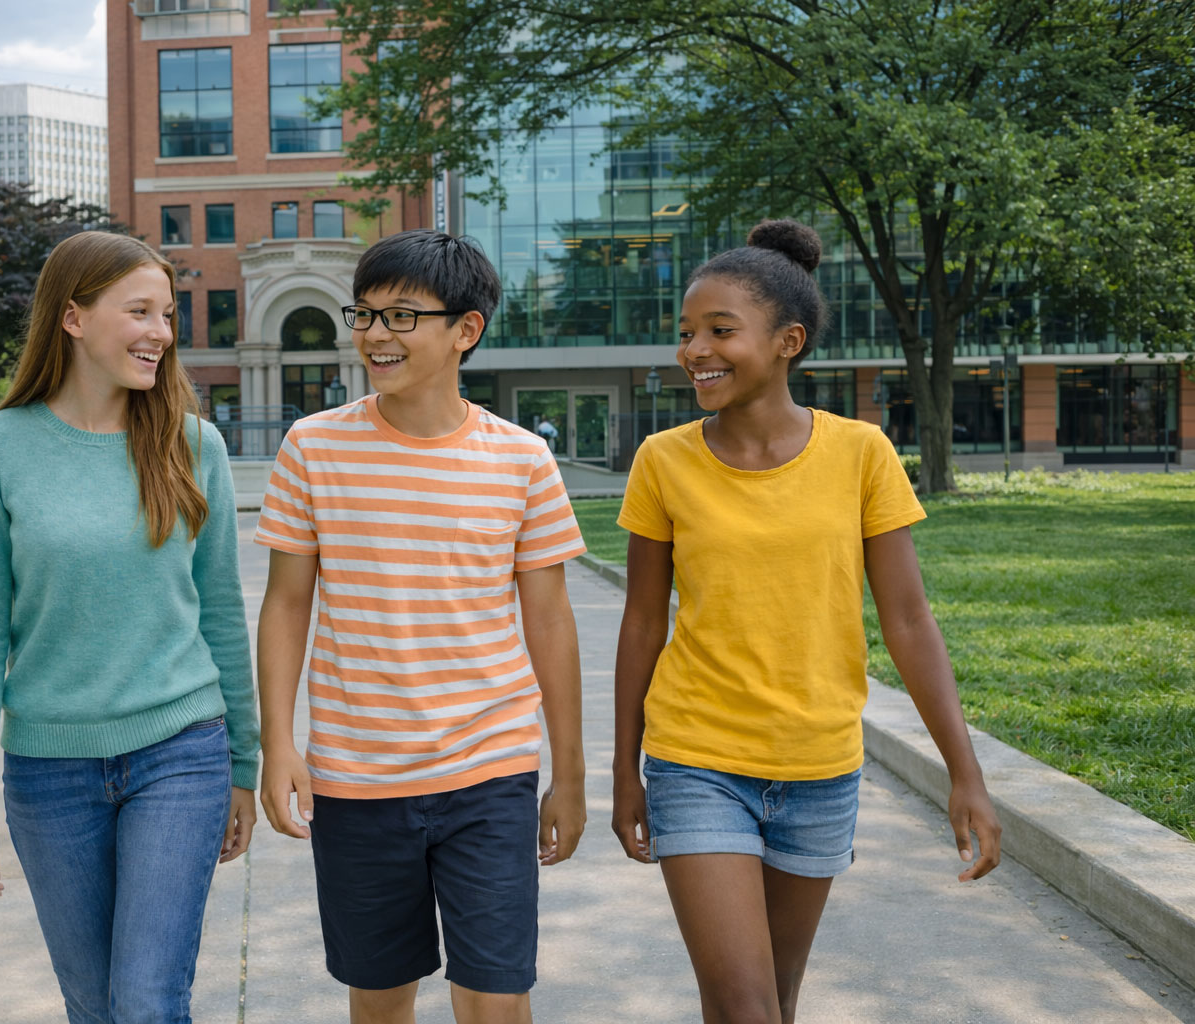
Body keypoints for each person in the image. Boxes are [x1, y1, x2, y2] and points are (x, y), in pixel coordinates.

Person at [610, 219, 1002, 1024]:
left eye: (720, 332)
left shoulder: (861, 453)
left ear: (788, 341)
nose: (695, 351)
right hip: (696, 761)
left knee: (774, 1003)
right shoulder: (664, 460)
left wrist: (965, 772)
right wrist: (624, 772)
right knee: (746, 1005)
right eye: (687, 334)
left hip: (820, 769)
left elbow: (909, 619)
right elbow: (642, 625)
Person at [255, 229, 588, 1024]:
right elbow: (285, 604)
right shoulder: (314, 447)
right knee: (378, 998)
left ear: (465, 330)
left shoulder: (521, 460)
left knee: (498, 995)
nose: (374, 335)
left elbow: (550, 621)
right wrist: (278, 742)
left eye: (401, 317)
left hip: (490, 768)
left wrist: (569, 774)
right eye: (364, 315)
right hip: (358, 777)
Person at [0, 231, 258, 1024]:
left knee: (146, 1003)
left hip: (180, 755)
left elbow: (220, 611)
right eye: (140, 311)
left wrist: (245, 762)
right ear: (74, 317)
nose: (162, 332)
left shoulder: (193, 445)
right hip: (49, 773)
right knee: (94, 1006)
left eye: (168, 314)